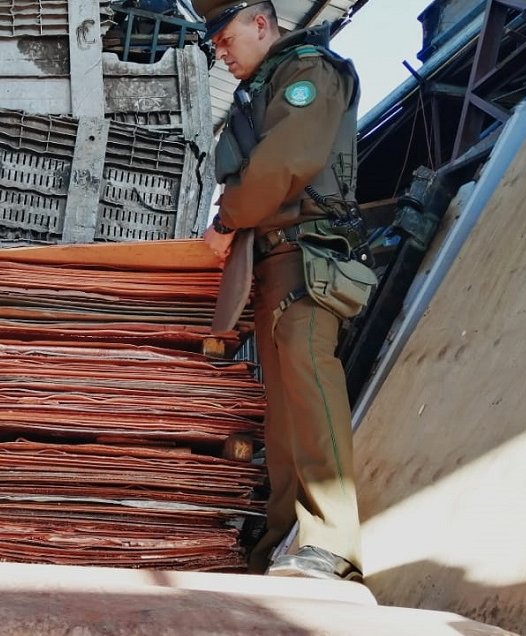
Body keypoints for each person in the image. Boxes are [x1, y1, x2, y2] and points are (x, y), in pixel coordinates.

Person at [193, 0, 365, 581]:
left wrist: (227, 219)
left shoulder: (309, 71)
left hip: (308, 257)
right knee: (284, 416)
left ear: (262, 24)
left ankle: (331, 542)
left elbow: (287, 159)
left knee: (311, 391)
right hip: (272, 261)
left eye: (227, 38)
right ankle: (281, 543)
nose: (221, 52)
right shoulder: (265, 85)